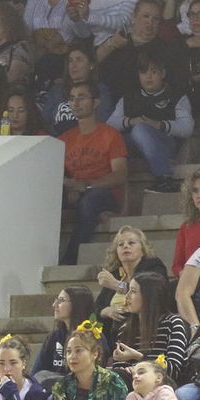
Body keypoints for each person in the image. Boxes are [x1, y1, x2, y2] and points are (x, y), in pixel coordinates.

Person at [58, 81, 128, 264]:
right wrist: (70, 187)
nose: (75, 103)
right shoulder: (65, 139)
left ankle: (69, 261)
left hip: (103, 194)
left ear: (96, 102)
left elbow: (120, 175)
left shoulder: (111, 135)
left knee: (90, 199)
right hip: (77, 192)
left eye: (82, 97)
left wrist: (86, 186)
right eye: (72, 98)